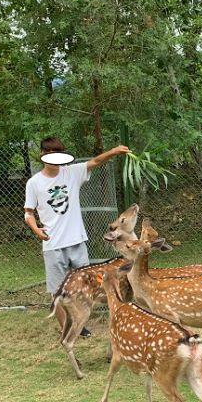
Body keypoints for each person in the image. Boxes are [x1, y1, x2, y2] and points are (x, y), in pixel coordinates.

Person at [24, 137, 130, 335]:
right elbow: (28, 212)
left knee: (84, 287)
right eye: (49, 153)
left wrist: (114, 151)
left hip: (76, 242)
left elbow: (95, 162)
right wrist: (36, 230)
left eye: (57, 153)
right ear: (42, 155)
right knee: (58, 292)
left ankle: (81, 324)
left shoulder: (71, 173)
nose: (52, 157)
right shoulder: (34, 183)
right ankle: (67, 329)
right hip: (52, 245)